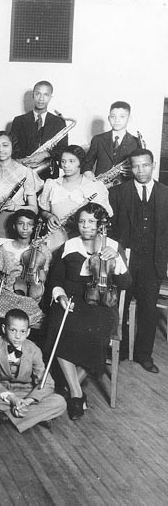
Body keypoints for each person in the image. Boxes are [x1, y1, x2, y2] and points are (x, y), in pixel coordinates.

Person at [45, 203, 131, 419]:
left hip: (102, 305)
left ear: (101, 224)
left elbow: (126, 283)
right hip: (72, 302)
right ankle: (76, 393)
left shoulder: (112, 245)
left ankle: (70, 387)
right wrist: (60, 296)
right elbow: (55, 279)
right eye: (82, 221)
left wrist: (117, 259)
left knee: (95, 334)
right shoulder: (70, 246)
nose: (86, 226)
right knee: (61, 328)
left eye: (91, 222)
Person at [109, 148, 168, 373]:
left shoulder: (165, 193)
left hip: (153, 262)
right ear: (130, 167)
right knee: (120, 307)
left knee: (148, 310)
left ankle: (144, 355)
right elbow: (112, 231)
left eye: (145, 165)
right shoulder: (118, 192)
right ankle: (120, 350)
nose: (140, 170)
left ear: (153, 165)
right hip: (125, 261)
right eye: (135, 166)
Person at [0, 309, 67, 432]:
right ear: (4, 328)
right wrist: (13, 399)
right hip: (2, 393)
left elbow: (47, 383)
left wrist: (27, 401)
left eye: (22, 331)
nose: (18, 336)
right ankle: (37, 416)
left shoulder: (34, 350)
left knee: (60, 402)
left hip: (26, 393)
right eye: (13, 330)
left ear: (28, 332)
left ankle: (3, 416)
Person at [0, 131, 42, 296]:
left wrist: (17, 208)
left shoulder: (25, 172)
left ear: (13, 147)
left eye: (5, 145)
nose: (0, 150)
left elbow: (34, 208)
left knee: (9, 274)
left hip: (12, 226)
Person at [38, 145, 112, 251]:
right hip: (56, 237)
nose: (66, 165)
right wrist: (49, 216)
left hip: (84, 239)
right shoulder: (52, 184)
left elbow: (104, 217)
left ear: (80, 163)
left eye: (71, 161)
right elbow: (43, 210)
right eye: (63, 161)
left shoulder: (93, 186)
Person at [0, 210, 51, 330]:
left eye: (30, 224)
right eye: (21, 223)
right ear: (14, 226)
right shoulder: (3, 249)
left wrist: (39, 252)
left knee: (21, 320)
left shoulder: (41, 250)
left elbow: (42, 279)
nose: (25, 228)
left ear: (34, 227)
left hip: (29, 297)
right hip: (6, 295)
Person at [10, 80, 68, 178]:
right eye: (38, 94)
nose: (41, 98)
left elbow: (63, 150)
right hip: (23, 173)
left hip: (49, 174)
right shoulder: (18, 121)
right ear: (33, 95)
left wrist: (46, 154)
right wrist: (22, 160)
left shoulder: (59, 122)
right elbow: (12, 149)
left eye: (46, 95)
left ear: (50, 97)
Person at [83, 101, 141, 182]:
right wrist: (89, 176)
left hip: (125, 188)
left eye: (122, 116)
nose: (117, 120)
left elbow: (140, 168)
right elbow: (86, 164)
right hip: (101, 187)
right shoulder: (98, 139)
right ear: (108, 118)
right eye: (113, 116)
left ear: (129, 118)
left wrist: (133, 172)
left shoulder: (136, 142)